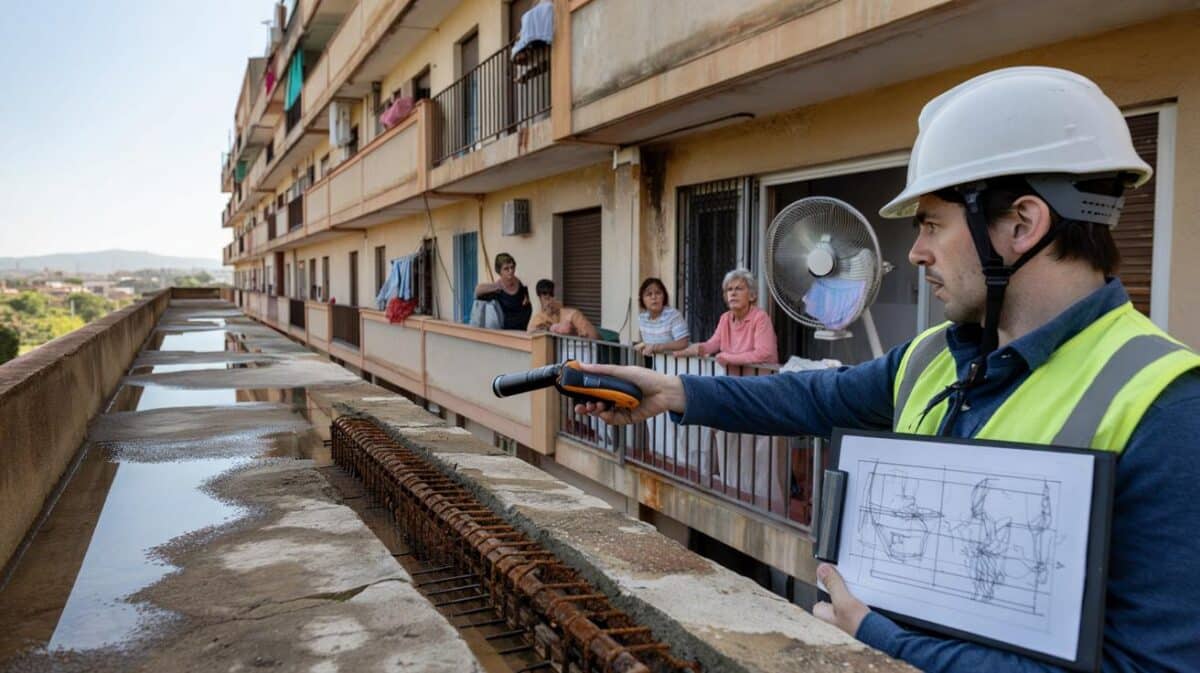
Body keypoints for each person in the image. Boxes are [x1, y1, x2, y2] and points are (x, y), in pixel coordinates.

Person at [574, 67, 1200, 672]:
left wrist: (882, 640)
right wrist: (672, 391)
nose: (916, 251)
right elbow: (813, 399)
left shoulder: (1167, 406)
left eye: (931, 224)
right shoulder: (935, 355)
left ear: (1022, 224)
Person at [674, 268, 778, 366]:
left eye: (739, 289)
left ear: (752, 295)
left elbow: (764, 353)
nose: (733, 293)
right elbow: (714, 343)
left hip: (758, 377)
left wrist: (729, 358)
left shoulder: (760, 317)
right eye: (729, 289)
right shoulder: (725, 318)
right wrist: (697, 349)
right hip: (732, 377)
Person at [474, 252, 531, 330]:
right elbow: (477, 290)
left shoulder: (521, 284)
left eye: (512, 267)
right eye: (506, 269)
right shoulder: (497, 289)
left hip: (524, 330)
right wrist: (496, 286)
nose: (511, 271)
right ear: (499, 271)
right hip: (506, 332)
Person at [527, 279, 599, 340]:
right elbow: (530, 334)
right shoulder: (539, 318)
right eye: (546, 298)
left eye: (552, 296)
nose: (550, 302)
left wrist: (574, 333)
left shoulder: (572, 315)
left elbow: (594, 336)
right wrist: (547, 329)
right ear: (540, 299)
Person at [633, 277, 689, 355]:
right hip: (655, 361)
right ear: (642, 300)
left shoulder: (673, 315)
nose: (654, 297)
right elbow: (650, 342)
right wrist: (643, 345)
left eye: (658, 293)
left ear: (664, 296)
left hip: (676, 361)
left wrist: (658, 347)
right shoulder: (642, 318)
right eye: (649, 294)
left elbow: (683, 343)